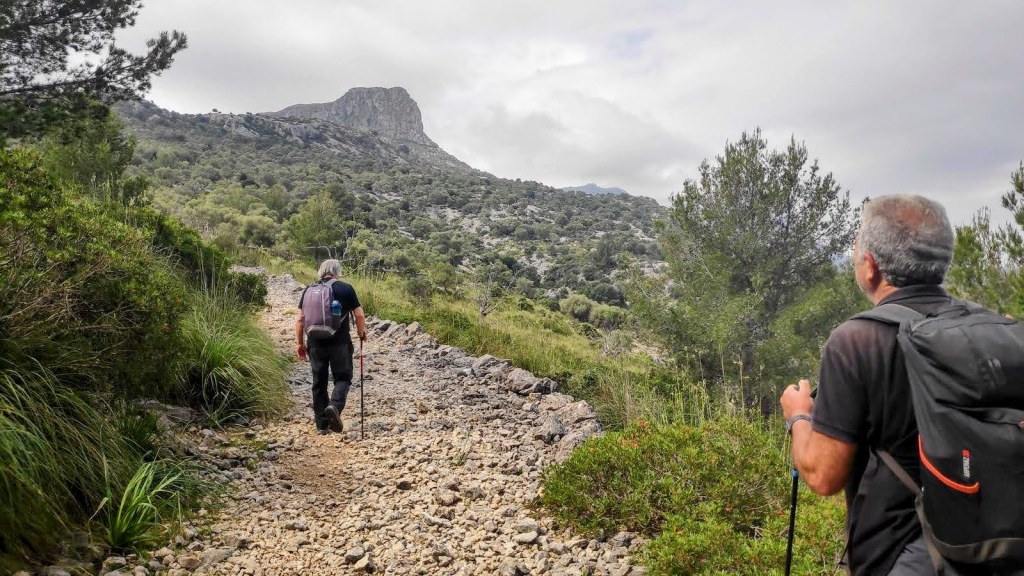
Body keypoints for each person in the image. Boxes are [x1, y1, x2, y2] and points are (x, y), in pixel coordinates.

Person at [780, 195, 959, 576]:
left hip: (901, 558)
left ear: (871, 266)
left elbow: (823, 476)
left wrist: (798, 416)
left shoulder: (857, 340)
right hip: (993, 550)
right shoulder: (987, 328)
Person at [296, 259, 367, 435]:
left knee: (318, 383)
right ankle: (334, 406)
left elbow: (299, 320)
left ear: (321, 271)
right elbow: (359, 315)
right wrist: (361, 333)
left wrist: (300, 344)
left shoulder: (309, 289)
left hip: (315, 344)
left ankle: (322, 426)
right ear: (337, 272)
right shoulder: (345, 288)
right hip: (339, 343)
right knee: (343, 378)